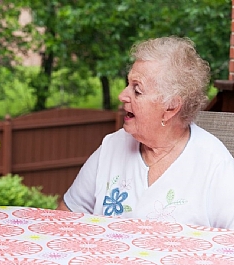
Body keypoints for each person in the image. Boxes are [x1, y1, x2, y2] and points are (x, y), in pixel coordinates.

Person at [57, 36, 234, 229]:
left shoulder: (215, 166)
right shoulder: (112, 146)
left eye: (137, 90)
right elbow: (67, 215)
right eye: (128, 84)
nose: (122, 95)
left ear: (171, 107)